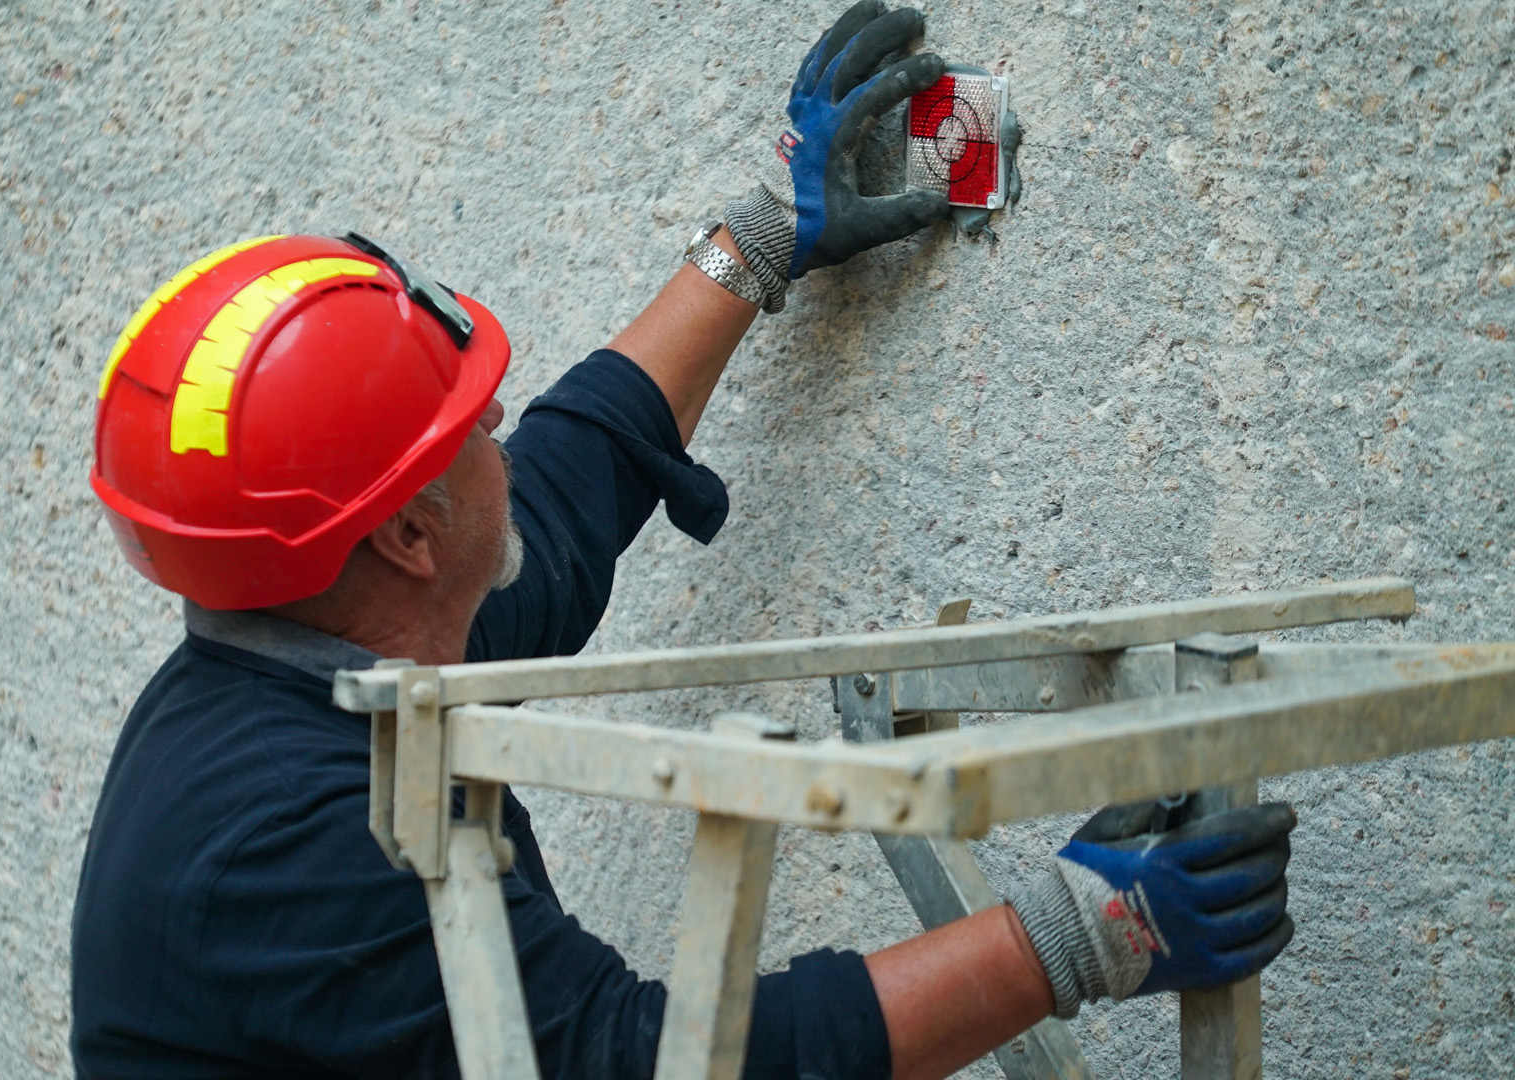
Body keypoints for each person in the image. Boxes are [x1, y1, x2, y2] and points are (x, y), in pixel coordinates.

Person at [71, 4, 1297, 1077]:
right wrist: (1077, 935)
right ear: (403, 535)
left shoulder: (321, 634)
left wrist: (760, 235)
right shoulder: (285, 841)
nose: (500, 416)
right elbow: (638, 1065)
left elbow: (550, 505)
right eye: (466, 425)